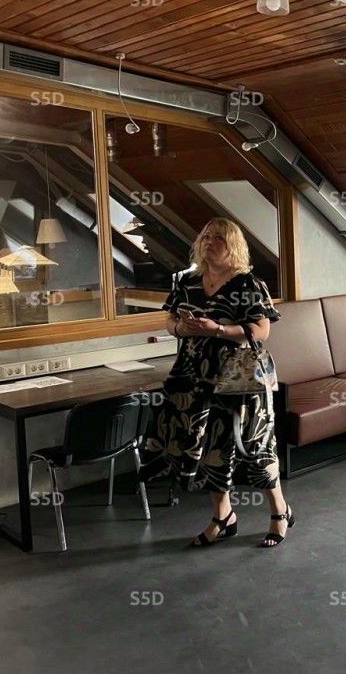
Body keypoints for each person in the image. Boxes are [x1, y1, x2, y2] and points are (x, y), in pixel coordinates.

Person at [139, 217, 294, 548]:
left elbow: (262, 331)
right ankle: (223, 516)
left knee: (255, 444)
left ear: (233, 245)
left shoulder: (248, 283)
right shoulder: (188, 281)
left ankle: (279, 510)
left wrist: (218, 330)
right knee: (209, 446)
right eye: (206, 236)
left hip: (241, 375)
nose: (209, 242)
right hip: (195, 374)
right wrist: (181, 329)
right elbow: (169, 321)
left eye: (219, 238)